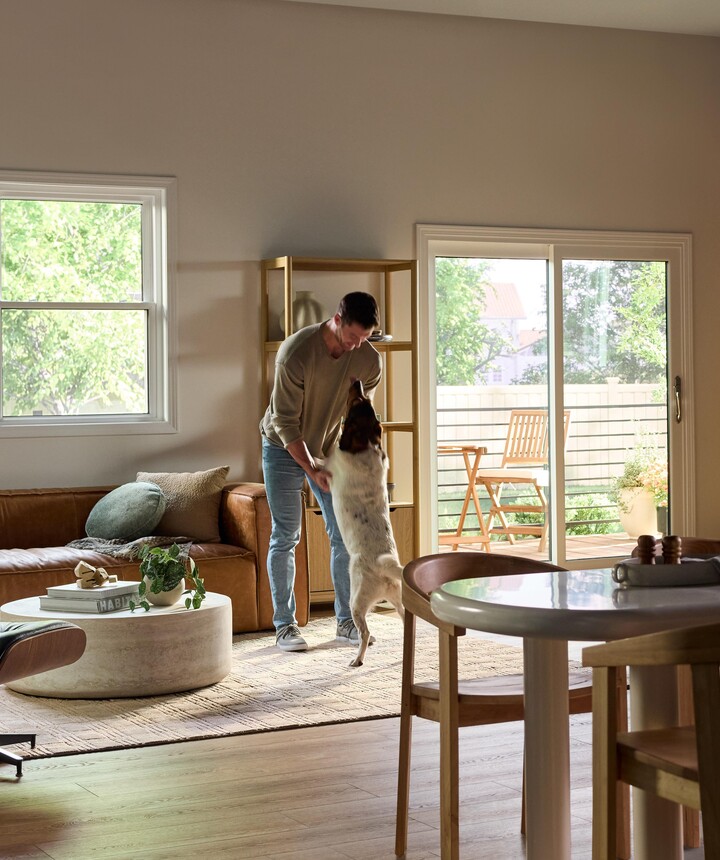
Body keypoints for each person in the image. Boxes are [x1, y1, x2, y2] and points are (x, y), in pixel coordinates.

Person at [260, 291, 381, 652]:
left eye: (365, 338)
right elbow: (284, 422)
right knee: (286, 536)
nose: (357, 345)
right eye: (352, 337)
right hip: (282, 446)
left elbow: (360, 414)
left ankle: (347, 621)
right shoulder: (296, 353)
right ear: (337, 320)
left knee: (343, 535)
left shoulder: (368, 360)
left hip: (330, 450)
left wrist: (346, 462)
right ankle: (285, 626)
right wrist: (310, 467)